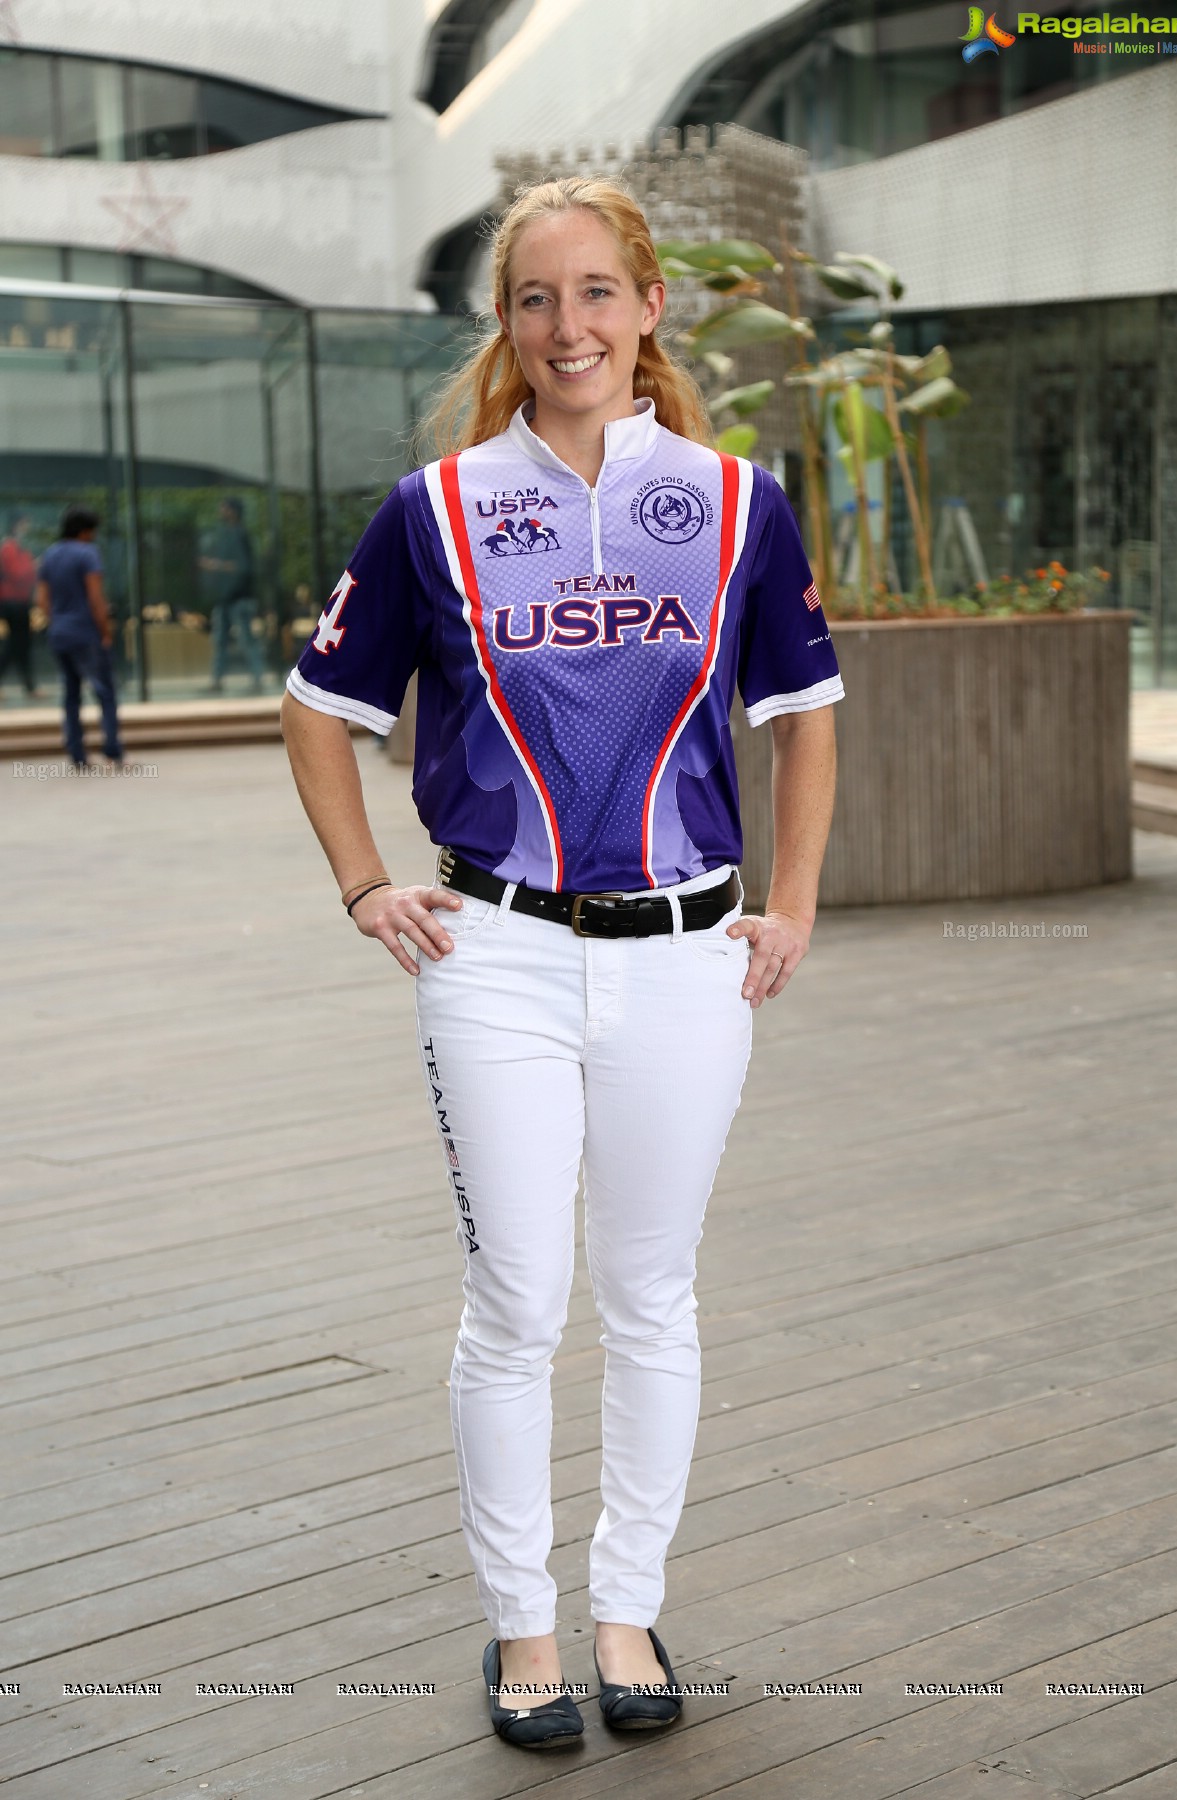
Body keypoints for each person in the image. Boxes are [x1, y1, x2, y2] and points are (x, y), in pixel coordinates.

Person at [279, 175, 842, 1751]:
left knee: (653, 1295)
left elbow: (807, 718)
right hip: (496, 957)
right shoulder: (439, 509)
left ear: (648, 306)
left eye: (597, 293)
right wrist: (360, 885)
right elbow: (321, 711)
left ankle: (624, 1611)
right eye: (537, 299)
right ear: (507, 326)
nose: (568, 326)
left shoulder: (736, 502)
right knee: (520, 1297)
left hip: (685, 956)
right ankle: (523, 1630)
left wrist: (789, 902)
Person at [36, 505, 123, 767]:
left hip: (60, 633)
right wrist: (105, 631)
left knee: (71, 694)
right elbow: (96, 597)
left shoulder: (50, 555)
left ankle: (77, 754)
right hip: (86, 632)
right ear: (85, 532)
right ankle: (112, 750)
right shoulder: (87, 554)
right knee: (105, 692)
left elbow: (42, 600)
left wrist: (59, 621)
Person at [199, 496, 264, 693]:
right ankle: (217, 681)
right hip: (226, 598)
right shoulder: (226, 534)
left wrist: (215, 565)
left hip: (239, 598)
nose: (221, 512)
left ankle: (257, 679)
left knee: (245, 639)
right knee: (220, 641)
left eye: (225, 508)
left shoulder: (239, 534)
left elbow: (243, 566)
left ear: (233, 511)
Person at [0, 509, 43, 700]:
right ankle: (29, 686)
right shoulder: (8, 548)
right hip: (11, 603)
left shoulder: (20, 548)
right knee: (15, 646)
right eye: (24, 524)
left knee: (21, 645)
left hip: (20, 601)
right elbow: (18, 574)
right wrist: (35, 566)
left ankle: (29, 686)